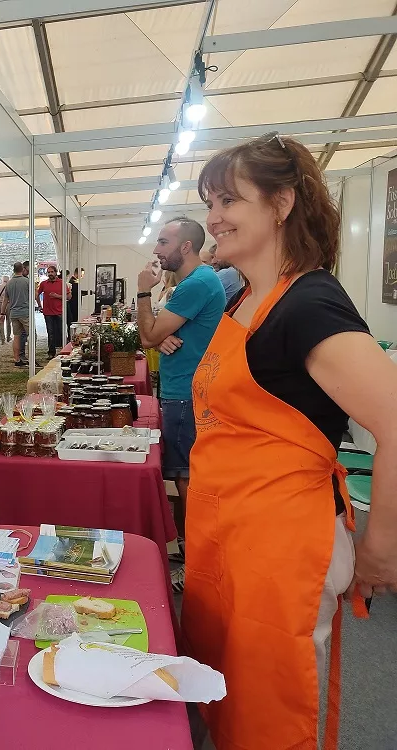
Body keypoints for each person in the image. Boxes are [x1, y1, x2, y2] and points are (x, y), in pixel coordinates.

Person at [183, 134, 397, 750]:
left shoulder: (309, 302)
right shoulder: (245, 300)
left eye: (229, 200)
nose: (214, 217)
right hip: (227, 543)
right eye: (210, 202)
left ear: (281, 203)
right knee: (223, 708)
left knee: (270, 721)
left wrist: (380, 546)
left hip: (281, 555)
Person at [136, 217, 225, 594]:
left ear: (185, 247)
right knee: (183, 476)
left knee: (189, 481)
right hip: (182, 389)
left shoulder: (198, 282)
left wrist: (143, 294)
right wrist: (162, 336)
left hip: (189, 395)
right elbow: (157, 335)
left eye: (163, 241)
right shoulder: (194, 283)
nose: (156, 250)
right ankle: (192, 554)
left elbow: (149, 333)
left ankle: (197, 566)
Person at [36, 264, 65, 358]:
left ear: (56, 273)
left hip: (59, 311)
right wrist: (40, 306)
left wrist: (57, 296)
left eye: (52, 272)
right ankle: (51, 352)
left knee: (61, 331)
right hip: (48, 312)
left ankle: (63, 351)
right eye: (49, 272)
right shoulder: (44, 284)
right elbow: (36, 294)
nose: (50, 274)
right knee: (50, 332)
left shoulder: (62, 283)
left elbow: (68, 297)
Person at [6, 262, 31, 367]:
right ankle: (31, 358)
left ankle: (16, 359)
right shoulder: (27, 281)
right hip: (25, 312)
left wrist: (3, 312)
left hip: (14, 313)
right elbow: (33, 295)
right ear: (23, 269)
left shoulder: (9, 283)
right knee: (32, 335)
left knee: (16, 336)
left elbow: (5, 299)